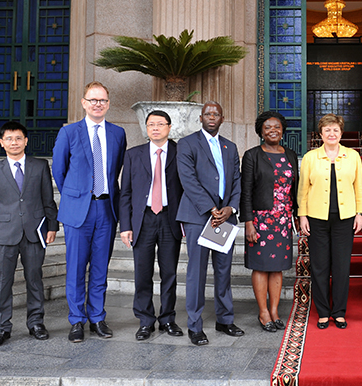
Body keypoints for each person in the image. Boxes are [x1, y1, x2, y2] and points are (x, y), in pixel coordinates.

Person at [52, 81, 126, 343]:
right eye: (93, 100)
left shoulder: (118, 133)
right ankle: (76, 320)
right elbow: (59, 170)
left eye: (102, 100)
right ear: (83, 103)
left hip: (106, 208)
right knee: (75, 267)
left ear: (108, 104)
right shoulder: (69, 132)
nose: (98, 104)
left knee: (100, 267)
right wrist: (76, 195)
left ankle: (96, 317)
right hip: (78, 210)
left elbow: (116, 168)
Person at [0, 121, 58, 347]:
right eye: (9, 139)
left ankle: (36, 323)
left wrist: (52, 226)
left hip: (34, 232)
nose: (14, 142)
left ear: (26, 141)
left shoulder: (40, 166)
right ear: (2, 143)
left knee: (34, 279)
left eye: (18, 138)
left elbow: (48, 199)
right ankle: (1, 327)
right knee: (2, 282)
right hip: (5, 234)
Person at [177, 101, 244, 345]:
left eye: (216, 113)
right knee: (197, 272)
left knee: (223, 271)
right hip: (198, 216)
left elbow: (236, 181)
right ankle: (195, 325)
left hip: (225, 217)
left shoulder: (230, 146)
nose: (212, 117)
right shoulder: (187, 143)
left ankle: (225, 319)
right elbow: (188, 179)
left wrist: (230, 208)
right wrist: (211, 208)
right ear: (201, 118)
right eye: (207, 113)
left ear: (222, 118)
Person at [118, 110, 184, 341]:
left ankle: (167, 318)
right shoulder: (133, 155)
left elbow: (187, 188)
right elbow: (125, 193)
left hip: (169, 218)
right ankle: (145, 320)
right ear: (146, 128)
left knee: (169, 273)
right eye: (151, 124)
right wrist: (125, 225)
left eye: (160, 124)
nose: (155, 128)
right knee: (142, 273)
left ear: (169, 127)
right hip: (143, 219)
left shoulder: (180, 152)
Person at [298, 113, 362, 329]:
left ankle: (339, 312)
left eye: (335, 130)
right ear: (320, 133)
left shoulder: (352, 156)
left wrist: (360, 213)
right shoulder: (310, 157)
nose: (331, 133)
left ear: (341, 133)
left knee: (341, 266)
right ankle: (323, 312)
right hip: (316, 218)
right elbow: (303, 189)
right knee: (319, 266)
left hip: (345, 218)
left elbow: (359, 187)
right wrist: (302, 215)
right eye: (327, 130)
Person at [241, 111, 299, 332]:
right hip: (261, 220)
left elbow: (295, 188)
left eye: (277, 127)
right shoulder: (252, 155)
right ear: (261, 132)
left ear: (283, 130)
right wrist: (248, 222)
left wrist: (296, 215)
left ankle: (274, 310)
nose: (272, 130)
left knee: (278, 267)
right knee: (260, 266)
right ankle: (263, 312)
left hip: (283, 220)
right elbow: (246, 191)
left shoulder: (290, 155)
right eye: (267, 127)